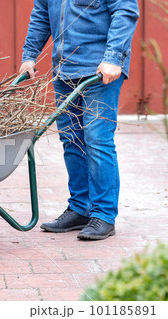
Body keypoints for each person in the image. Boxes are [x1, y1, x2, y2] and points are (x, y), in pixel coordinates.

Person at [19, 0, 139, 240]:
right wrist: (30, 55)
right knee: (71, 140)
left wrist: (114, 57)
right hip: (64, 70)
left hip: (99, 70)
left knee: (97, 140)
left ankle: (104, 215)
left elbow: (125, 11)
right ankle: (80, 208)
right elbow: (42, 13)